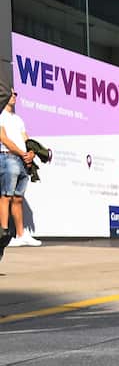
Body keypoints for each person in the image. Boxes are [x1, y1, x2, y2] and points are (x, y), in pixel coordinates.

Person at [0, 89, 39, 249]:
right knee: (6, 196)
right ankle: (3, 234)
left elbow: (26, 138)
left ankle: (20, 235)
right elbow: (3, 138)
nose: (15, 96)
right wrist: (22, 153)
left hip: (22, 161)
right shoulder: (0, 116)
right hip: (8, 157)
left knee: (18, 198)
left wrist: (31, 152)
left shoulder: (18, 119)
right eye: (12, 93)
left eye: (16, 94)